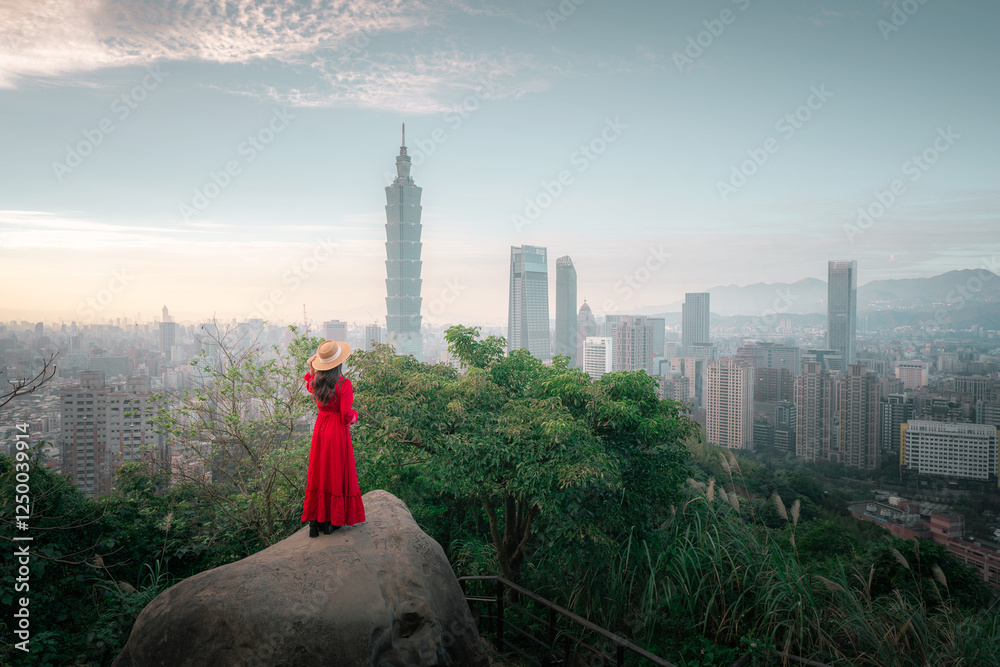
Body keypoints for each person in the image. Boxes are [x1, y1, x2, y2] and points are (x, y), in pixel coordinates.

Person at [300, 340, 366, 538]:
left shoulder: (316, 382)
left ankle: (315, 522)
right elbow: (347, 415)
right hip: (336, 431)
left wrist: (312, 367)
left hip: (320, 430)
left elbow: (309, 384)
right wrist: (356, 415)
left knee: (319, 471)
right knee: (334, 471)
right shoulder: (344, 384)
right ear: (339, 363)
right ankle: (331, 522)